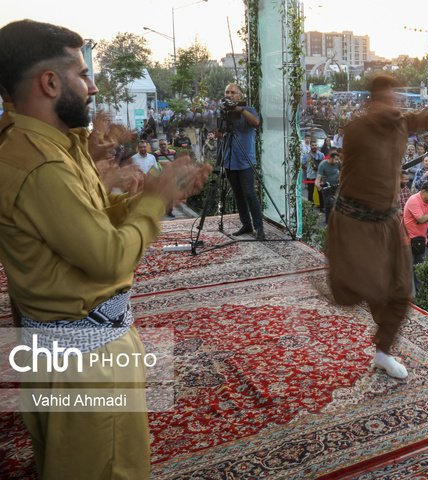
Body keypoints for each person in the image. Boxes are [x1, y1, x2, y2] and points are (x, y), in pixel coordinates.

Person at [0, 19, 210, 479]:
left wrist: (156, 195)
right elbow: (111, 256)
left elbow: (90, 220)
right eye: (82, 74)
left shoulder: (46, 146)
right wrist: (153, 202)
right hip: (83, 361)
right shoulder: (41, 166)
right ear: (50, 83)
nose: (92, 87)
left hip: (64, 350)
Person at [325, 75, 428, 380]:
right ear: (371, 102)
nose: (393, 105)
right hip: (354, 225)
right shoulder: (357, 129)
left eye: (395, 99)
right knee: (365, 289)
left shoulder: (400, 122)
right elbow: (379, 127)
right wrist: (394, 118)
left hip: (387, 224)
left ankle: (383, 352)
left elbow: (427, 117)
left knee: (402, 291)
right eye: (386, 99)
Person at [220, 83, 265, 240]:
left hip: (245, 160)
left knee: (249, 193)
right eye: (227, 92)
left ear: (240, 95)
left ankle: (259, 227)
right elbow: (219, 134)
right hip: (230, 160)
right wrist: (222, 116)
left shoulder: (248, 110)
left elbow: (256, 123)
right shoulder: (224, 111)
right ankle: (246, 224)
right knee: (238, 195)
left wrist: (241, 111)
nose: (230, 94)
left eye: (233, 92)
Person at [315, 151, 341, 223]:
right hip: (327, 187)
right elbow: (318, 178)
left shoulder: (338, 163)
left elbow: (342, 170)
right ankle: (328, 222)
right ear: (331, 158)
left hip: (336, 186)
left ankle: (336, 220)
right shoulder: (323, 165)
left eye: (338, 159)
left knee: (337, 204)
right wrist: (317, 185)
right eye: (335, 159)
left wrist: (340, 177)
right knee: (328, 204)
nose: (337, 161)